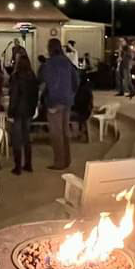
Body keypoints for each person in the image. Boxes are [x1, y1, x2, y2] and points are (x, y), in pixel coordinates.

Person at [38, 38, 79, 170]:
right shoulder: (67, 61)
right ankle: (67, 159)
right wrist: (71, 93)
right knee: (65, 131)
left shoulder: (49, 64)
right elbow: (76, 79)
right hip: (67, 100)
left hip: (55, 101)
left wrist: (47, 100)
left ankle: (59, 162)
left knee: (56, 133)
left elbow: (46, 83)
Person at [8, 53, 39, 174]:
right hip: (29, 110)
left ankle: (17, 167)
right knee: (27, 138)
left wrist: (10, 111)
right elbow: (36, 95)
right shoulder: (33, 77)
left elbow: (14, 96)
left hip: (18, 110)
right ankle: (28, 164)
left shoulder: (16, 77)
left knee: (17, 139)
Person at [71, 73, 94, 140]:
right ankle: (79, 131)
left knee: (64, 115)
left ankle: (76, 133)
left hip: (83, 112)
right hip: (86, 111)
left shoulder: (82, 91)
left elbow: (79, 104)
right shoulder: (86, 89)